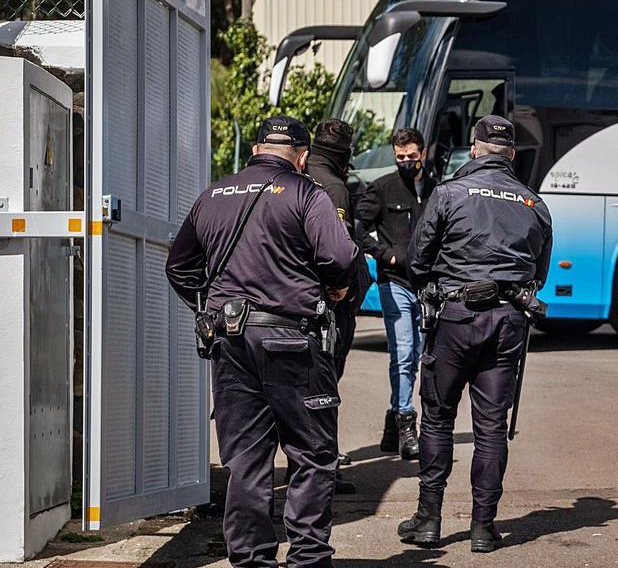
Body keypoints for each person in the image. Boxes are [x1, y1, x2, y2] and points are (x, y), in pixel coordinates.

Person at [165, 116, 359, 568]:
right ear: (303, 155)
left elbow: (179, 267)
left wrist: (211, 304)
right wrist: (334, 288)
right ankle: (308, 559)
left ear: (255, 148)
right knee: (312, 453)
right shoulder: (305, 192)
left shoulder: (213, 195)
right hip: (292, 338)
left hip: (229, 341)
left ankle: (251, 560)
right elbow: (341, 255)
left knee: (246, 461)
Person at [397, 115, 553, 553]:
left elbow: (417, 260)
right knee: (490, 427)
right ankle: (484, 527)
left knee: (439, 416)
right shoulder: (533, 203)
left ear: (474, 147)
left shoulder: (448, 193)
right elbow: (538, 273)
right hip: (508, 321)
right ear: (512, 156)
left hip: (456, 317)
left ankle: (429, 519)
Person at [355, 128, 435, 458]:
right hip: (395, 283)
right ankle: (406, 423)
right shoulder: (383, 187)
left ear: (423, 154)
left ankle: (392, 424)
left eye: (411, 157)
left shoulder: (436, 189)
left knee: (417, 355)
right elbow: (357, 229)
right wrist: (385, 253)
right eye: (400, 157)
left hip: (427, 285)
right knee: (403, 354)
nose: (406, 162)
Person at [305, 119, 373, 494]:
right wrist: (342, 288)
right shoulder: (333, 187)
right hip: (329, 307)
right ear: (345, 153)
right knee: (325, 388)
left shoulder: (298, 173)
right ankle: (324, 468)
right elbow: (338, 251)